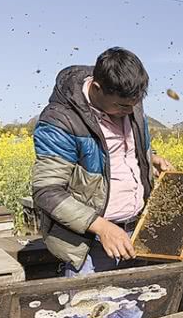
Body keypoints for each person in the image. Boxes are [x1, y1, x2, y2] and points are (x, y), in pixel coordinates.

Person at [32, 47, 172, 278]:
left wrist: (150, 158)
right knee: (90, 311)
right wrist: (103, 227)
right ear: (97, 89)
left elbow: (125, 149)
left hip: (136, 231)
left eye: (135, 104)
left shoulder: (129, 102)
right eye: (122, 106)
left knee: (133, 312)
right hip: (90, 244)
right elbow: (46, 191)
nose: (130, 111)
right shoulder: (60, 120)